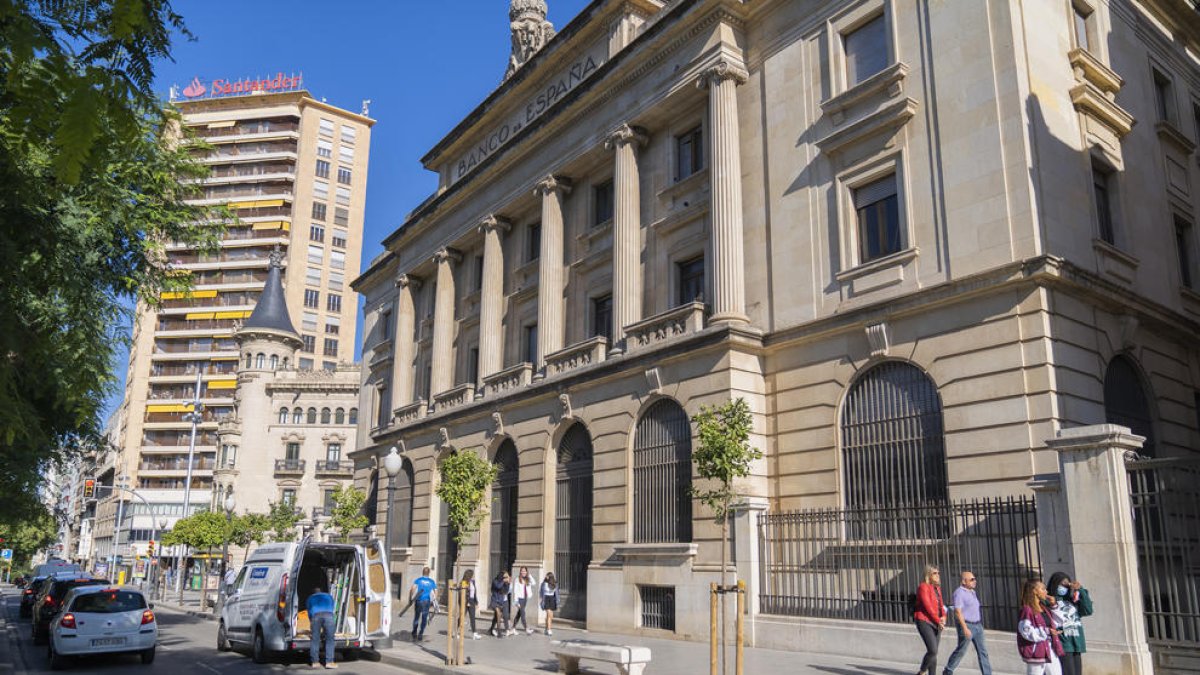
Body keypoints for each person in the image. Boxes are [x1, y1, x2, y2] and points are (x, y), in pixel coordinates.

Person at [943, 570, 992, 675]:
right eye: (972, 579)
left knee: (983, 652)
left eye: (974, 579)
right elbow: (958, 612)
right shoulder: (959, 593)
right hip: (967, 625)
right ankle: (948, 670)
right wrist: (965, 628)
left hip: (977, 625)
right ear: (964, 581)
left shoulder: (972, 592)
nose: (975, 581)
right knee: (961, 650)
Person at [1044, 572, 1092, 675]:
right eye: (1061, 584)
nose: (1064, 587)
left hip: (1076, 642)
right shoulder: (1049, 600)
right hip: (1063, 642)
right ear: (1055, 584)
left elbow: (1088, 610)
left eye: (1066, 585)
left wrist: (1080, 590)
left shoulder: (1072, 601)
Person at [1018, 578, 1063, 675]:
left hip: (1049, 648)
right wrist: (1047, 631)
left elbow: (1058, 622)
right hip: (1036, 651)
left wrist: (1054, 605)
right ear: (1034, 591)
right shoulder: (1027, 610)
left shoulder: (1043, 607)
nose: (1046, 591)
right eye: (1043, 589)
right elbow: (1026, 631)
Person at [914, 565, 947, 675]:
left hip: (936, 622)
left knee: (934, 653)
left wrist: (943, 618)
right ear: (928, 575)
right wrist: (939, 621)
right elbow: (928, 607)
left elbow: (941, 606)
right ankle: (922, 672)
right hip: (924, 621)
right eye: (934, 573)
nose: (938, 575)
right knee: (932, 650)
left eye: (938, 573)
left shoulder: (937, 588)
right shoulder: (923, 587)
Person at [306, 585, 337, 669]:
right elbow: (333, 607)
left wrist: (311, 622)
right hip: (329, 616)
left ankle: (315, 662)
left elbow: (309, 612)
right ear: (322, 591)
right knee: (330, 639)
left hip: (315, 617)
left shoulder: (310, 598)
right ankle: (329, 662)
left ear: (313, 593)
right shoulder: (329, 596)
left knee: (315, 639)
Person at [409, 566, 437, 642]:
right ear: (429, 573)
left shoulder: (418, 580)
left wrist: (411, 598)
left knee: (417, 616)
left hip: (418, 600)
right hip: (427, 601)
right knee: (424, 618)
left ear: (422, 572)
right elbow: (435, 592)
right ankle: (421, 633)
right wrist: (433, 601)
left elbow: (412, 589)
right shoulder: (432, 581)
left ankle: (414, 632)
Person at [489, 570, 511, 637]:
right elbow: (498, 586)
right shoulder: (495, 581)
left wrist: (507, 583)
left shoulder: (504, 582)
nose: (505, 578)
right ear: (501, 576)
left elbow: (506, 591)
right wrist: (503, 581)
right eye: (504, 577)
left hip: (500, 602)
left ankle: (491, 629)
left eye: (506, 577)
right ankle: (499, 631)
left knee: (496, 617)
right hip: (494, 601)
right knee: (498, 614)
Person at [513, 566, 535, 635]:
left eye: (524, 571)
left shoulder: (527, 579)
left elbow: (534, 583)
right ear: (520, 572)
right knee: (523, 613)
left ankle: (513, 628)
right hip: (519, 598)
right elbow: (515, 590)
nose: (523, 572)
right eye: (522, 571)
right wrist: (516, 601)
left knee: (519, 614)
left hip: (525, 598)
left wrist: (530, 576)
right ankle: (526, 628)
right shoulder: (517, 579)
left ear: (526, 572)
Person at [462, 569, 481, 640]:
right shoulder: (463, 582)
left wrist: (476, 602)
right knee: (462, 616)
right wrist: (467, 602)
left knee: (473, 617)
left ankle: (474, 633)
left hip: (472, 601)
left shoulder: (473, 582)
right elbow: (463, 594)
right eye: (472, 575)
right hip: (465, 601)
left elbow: (474, 593)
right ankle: (456, 631)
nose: (473, 576)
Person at [540, 572, 559, 636]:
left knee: (550, 616)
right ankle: (549, 629)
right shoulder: (543, 584)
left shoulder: (555, 584)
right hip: (546, 599)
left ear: (550, 577)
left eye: (547, 576)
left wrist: (557, 600)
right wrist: (541, 599)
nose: (545, 577)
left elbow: (556, 593)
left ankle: (546, 629)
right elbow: (541, 592)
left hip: (552, 599)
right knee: (549, 614)